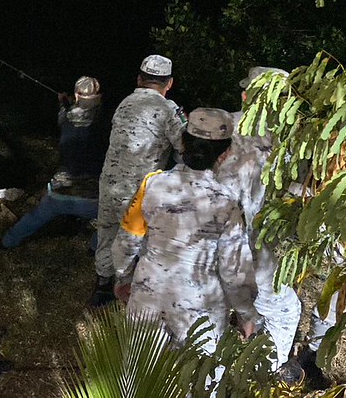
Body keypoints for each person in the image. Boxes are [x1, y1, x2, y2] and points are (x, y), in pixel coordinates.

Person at [111, 107, 255, 356]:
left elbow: (127, 240)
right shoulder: (227, 203)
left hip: (149, 295)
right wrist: (245, 313)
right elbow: (234, 270)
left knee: (141, 375)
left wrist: (123, 276)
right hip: (201, 308)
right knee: (198, 381)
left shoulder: (153, 184)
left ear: (183, 142)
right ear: (225, 153)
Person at [216, 66, 303, 371]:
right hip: (250, 249)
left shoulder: (220, 126)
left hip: (201, 241)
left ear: (244, 96)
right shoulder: (288, 141)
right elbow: (297, 189)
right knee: (287, 310)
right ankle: (267, 374)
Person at [91, 54, 187, 307]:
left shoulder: (124, 103)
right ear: (169, 83)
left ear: (139, 79)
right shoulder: (168, 110)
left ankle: (102, 286)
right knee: (137, 241)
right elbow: (185, 148)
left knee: (107, 232)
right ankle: (126, 291)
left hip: (110, 183)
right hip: (140, 191)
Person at [0, 76, 108, 250]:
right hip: (92, 198)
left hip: (60, 192)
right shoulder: (104, 121)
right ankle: (94, 248)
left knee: (36, 216)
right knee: (114, 219)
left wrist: (64, 102)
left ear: (76, 95)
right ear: (98, 97)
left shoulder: (66, 117)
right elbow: (93, 115)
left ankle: (8, 241)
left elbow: (69, 114)